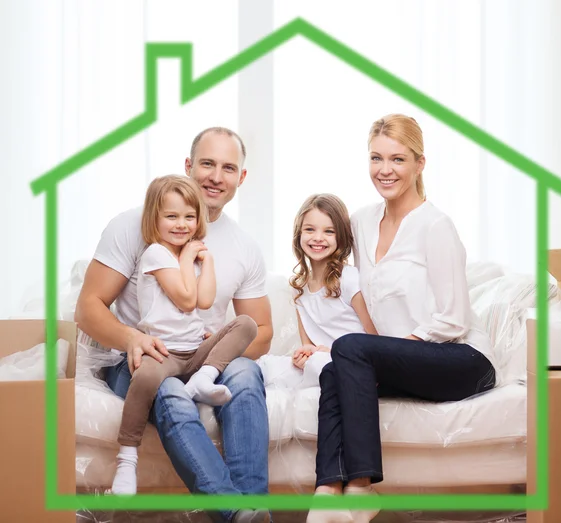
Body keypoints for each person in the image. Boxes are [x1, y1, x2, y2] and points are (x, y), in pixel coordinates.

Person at [75, 127, 273, 523]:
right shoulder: (135, 226)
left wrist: (216, 355)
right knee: (168, 391)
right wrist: (132, 337)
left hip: (200, 358)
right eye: (207, 164)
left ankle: (256, 508)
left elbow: (263, 330)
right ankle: (235, 512)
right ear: (189, 166)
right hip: (142, 360)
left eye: (228, 167)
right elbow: (88, 307)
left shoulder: (243, 246)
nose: (216, 176)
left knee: (248, 373)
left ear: (241, 178)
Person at [306, 115, 497, 523]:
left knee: (350, 350)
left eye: (398, 159)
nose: (385, 170)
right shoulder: (360, 222)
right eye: (376, 158)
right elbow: (335, 274)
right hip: (399, 358)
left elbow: (453, 318)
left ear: (419, 164)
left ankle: (361, 487)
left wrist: (380, 352)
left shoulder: (435, 226)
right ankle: (327, 490)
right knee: (333, 370)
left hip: (460, 359)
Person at [111, 175, 258, 495]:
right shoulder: (156, 255)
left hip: (194, 350)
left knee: (246, 324)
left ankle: (204, 378)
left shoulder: (188, 256)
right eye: (172, 216)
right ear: (155, 218)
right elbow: (186, 299)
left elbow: (204, 300)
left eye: (189, 217)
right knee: (145, 378)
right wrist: (190, 257)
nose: (182, 225)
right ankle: (127, 457)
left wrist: (207, 263)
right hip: (164, 354)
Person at [289, 193, 377, 388]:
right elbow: (308, 345)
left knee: (322, 364)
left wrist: (327, 353)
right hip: (321, 363)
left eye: (329, 231)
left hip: (354, 362)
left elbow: (374, 339)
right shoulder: (299, 289)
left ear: (341, 237)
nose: (318, 238)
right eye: (310, 229)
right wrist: (304, 355)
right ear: (299, 234)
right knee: (268, 367)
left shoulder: (349, 278)